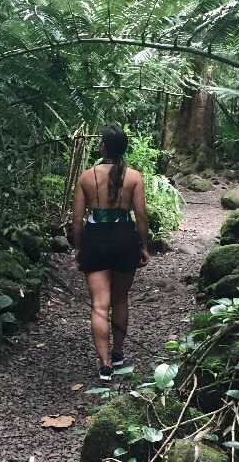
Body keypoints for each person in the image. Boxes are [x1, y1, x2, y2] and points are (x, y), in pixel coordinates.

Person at [71, 126, 151, 380]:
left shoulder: (86, 177)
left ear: (103, 147)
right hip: (124, 239)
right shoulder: (134, 177)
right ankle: (118, 352)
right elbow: (141, 216)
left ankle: (104, 364)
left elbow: (76, 218)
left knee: (99, 304)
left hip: (95, 240)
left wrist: (78, 246)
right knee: (120, 300)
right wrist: (144, 246)